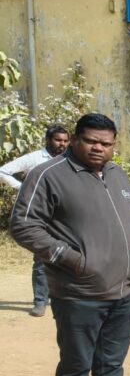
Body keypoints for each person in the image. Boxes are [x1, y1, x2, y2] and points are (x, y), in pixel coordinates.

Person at [9, 114, 130, 376]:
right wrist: (73, 259)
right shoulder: (49, 175)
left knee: (111, 363)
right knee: (75, 368)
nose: (99, 148)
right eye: (91, 141)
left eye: (106, 143)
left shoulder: (117, 175)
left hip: (123, 291)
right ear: (74, 139)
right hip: (79, 293)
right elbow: (23, 225)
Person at [1, 125, 71, 317]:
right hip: (41, 214)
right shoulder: (34, 158)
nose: (62, 144)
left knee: (67, 255)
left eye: (65, 140)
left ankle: (62, 297)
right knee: (42, 259)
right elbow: (3, 171)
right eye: (58, 140)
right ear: (48, 140)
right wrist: (24, 188)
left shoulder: (69, 159)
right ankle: (40, 300)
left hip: (64, 214)